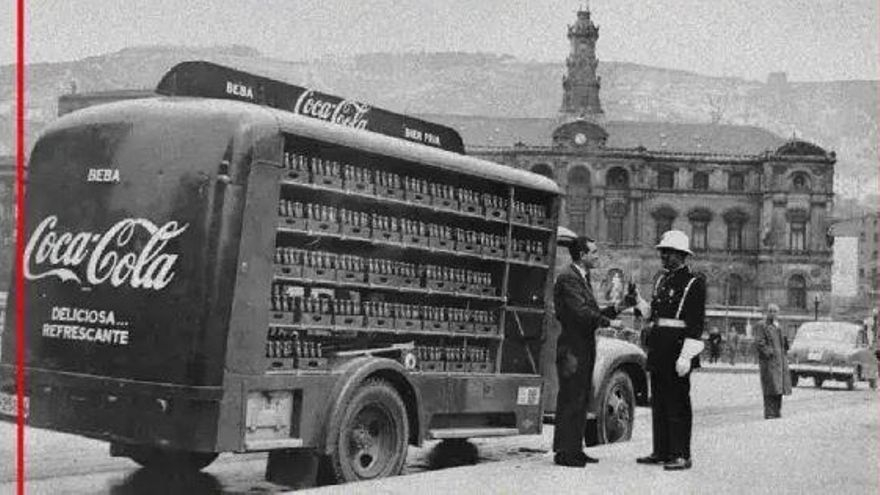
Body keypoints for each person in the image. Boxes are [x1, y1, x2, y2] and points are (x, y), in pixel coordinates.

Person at [553, 235, 628, 467]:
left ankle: (575, 449)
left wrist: (616, 309)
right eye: (593, 253)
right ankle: (564, 453)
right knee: (571, 398)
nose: (597, 256)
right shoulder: (569, 278)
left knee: (581, 397)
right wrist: (609, 323)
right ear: (582, 255)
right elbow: (580, 313)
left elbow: (591, 311)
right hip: (572, 349)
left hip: (581, 347)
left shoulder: (580, 278)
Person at [634, 230, 706, 471]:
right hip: (659, 348)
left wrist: (687, 355)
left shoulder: (694, 283)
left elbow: (695, 323)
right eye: (662, 252)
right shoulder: (661, 280)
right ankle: (661, 450)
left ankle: (681, 454)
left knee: (678, 403)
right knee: (661, 402)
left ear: (681, 254)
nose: (662, 256)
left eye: (667, 252)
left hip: (677, 349)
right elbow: (655, 314)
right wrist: (639, 303)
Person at [754, 303, 792, 419]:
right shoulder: (762, 325)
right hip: (769, 362)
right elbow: (760, 342)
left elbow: (783, 343)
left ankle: (777, 411)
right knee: (770, 387)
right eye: (770, 311)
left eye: (775, 311)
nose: (773, 313)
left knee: (779, 387)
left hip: (780, 362)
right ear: (767, 312)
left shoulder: (778, 326)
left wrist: (786, 346)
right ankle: (769, 412)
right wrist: (769, 353)